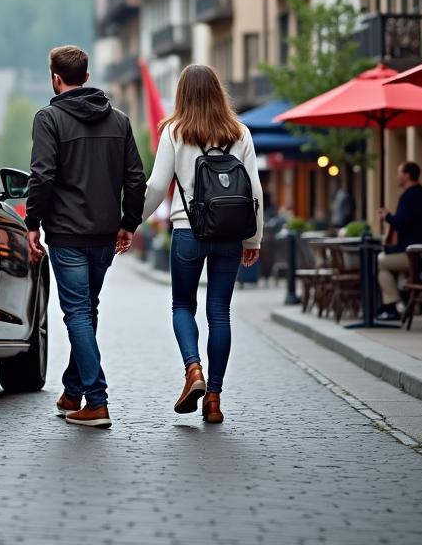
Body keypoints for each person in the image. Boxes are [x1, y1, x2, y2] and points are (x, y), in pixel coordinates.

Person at [25, 45, 146, 430]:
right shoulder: (121, 121)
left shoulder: (49, 119)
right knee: (86, 310)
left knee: (77, 313)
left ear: (55, 78)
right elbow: (136, 178)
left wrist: (32, 223)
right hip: (104, 234)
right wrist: (129, 222)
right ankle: (72, 391)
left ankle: (97, 400)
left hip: (66, 232)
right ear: (87, 78)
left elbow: (42, 176)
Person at [144, 64, 263, 425]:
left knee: (183, 305)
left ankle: (192, 369)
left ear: (182, 94)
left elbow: (155, 186)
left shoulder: (174, 132)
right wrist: (253, 239)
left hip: (187, 233)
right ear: (218, 92)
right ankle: (213, 398)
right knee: (220, 313)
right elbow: (254, 191)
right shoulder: (239, 132)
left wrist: (128, 222)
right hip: (229, 236)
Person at [376, 162, 422, 321]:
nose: (397, 176)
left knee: (381, 261)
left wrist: (387, 217)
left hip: (413, 254)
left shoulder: (409, 195)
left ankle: (394, 305)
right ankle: (397, 302)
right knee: (386, 262)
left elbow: (401, 223)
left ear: (407, 175)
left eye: (399, 173)